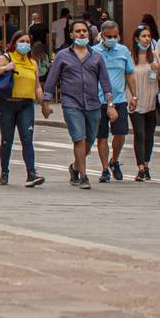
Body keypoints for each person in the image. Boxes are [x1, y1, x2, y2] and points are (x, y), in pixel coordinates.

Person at [43, 19, 112, 190]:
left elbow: (105, 81)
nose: (82, 34)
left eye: (84, 31)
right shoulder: (62, 56)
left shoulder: (97, 57)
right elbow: (52, 79)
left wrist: (110, 103)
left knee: (89, 141)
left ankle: (74, 167)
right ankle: (83, 176)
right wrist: (46, 101)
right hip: (71, 103)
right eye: (78, 31)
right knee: (79, 139)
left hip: (93, 104)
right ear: (71, 35)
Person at [0, 31, 45, 187]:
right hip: (7, 104)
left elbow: (37, 86)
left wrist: (44, 103)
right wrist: (5, 68)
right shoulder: (6, 57)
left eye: (27, 42)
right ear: (14, 43)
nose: (25, 44)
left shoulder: (32, 63)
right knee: (7, 140)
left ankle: (31, 173)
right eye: (22, 41)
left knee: (27, 139)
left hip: (26, 104)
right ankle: (4, 171)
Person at [93, 19, 136, 183]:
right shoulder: (94, 52)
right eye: (109, 36)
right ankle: (105, 168)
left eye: (115, 36)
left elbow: (129, 74)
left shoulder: (123, 51)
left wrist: (134, 95)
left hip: (119, 99)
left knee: (120, 133)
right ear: (102, 36)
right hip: (99, 100)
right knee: (102, 136)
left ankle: (114, 160)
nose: (112, 38)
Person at [128, 24, 160, 182]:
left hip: (151, 100)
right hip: (135, 100)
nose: (147, 39)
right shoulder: (130, 57)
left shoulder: (155, 55)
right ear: (136, 39)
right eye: (143, 36)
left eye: (149, 36)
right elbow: (126, 78)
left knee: (149, 135)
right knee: (139, 134)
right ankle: (140, 167)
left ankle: (147, 165)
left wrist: (158, 70)